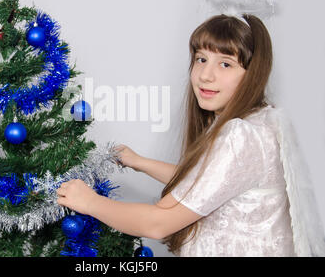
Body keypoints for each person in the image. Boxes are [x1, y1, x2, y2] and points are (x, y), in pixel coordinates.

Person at [56, 14, 324, 256]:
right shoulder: (259, 120)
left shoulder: (240, 135)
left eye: (226, 64)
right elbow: (208, 183)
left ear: (252, 75)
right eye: (201, 59)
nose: (206, 75)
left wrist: (91, 203)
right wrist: (141, 162)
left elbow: (158, 224)